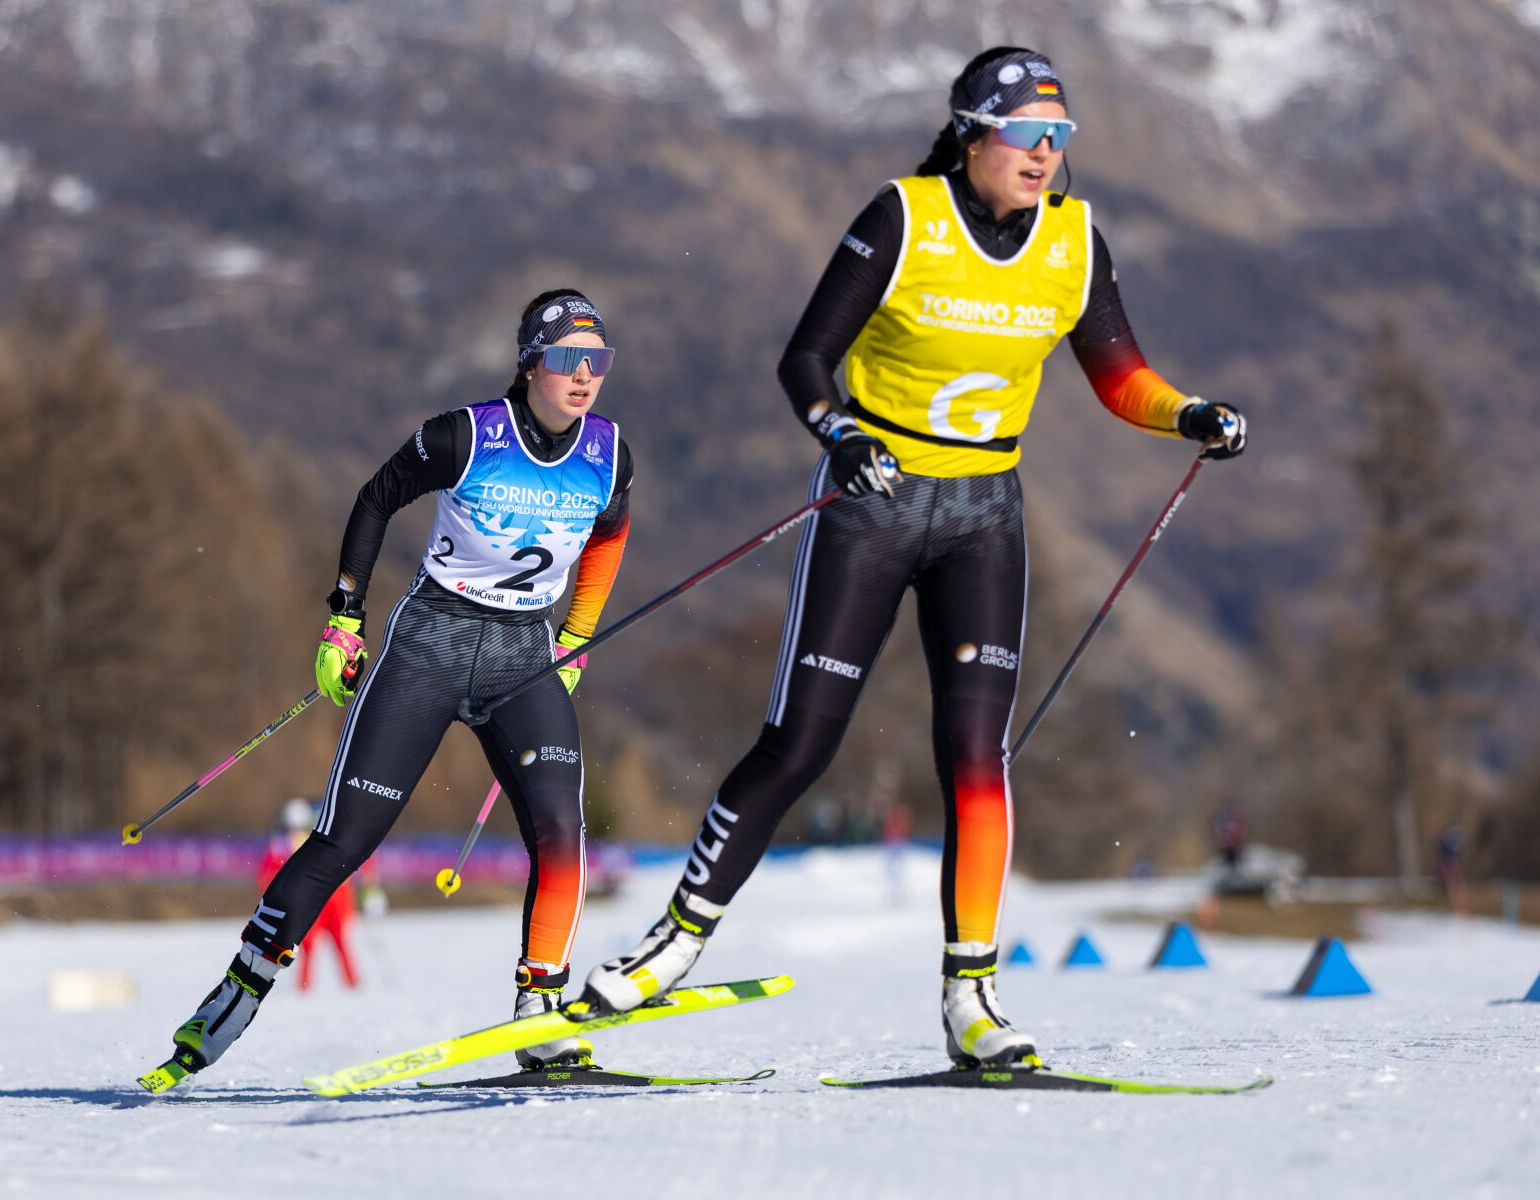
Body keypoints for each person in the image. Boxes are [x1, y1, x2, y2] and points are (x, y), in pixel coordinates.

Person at [575, 47, 1246, 1070]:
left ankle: (970, 997)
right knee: (800, 743)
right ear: (974, 133)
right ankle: (676, 940)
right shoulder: (904, 217)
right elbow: (804, 359)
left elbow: (1120, 376)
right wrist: (838, 433)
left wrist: (1188, 413)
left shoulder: (1073, 240)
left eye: (1061, 137)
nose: (1047, 154)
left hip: (985, 517)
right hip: (875, 508)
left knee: (978, 758)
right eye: (1029, 134)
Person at [146, 289, 633, 1089]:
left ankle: (539, 1014)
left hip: (524, 654)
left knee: (560, 828)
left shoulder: (609, 453)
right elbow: (375, 500)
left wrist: (577, 636)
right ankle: (238, 989)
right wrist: (345, 619)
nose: (585, 377)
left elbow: (610, 533)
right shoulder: (467, 436)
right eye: (567, 359)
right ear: (530, 362)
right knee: (348, 836)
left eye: (599, 362)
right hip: (430, 644)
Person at [257, 798, 362, 992]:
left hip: (334, 898)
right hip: (306, 901)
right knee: (309, 944)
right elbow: (267, 876)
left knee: (339, 941)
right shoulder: (280, 844)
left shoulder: (321, 837)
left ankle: (352, 984)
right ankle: (305, 987)